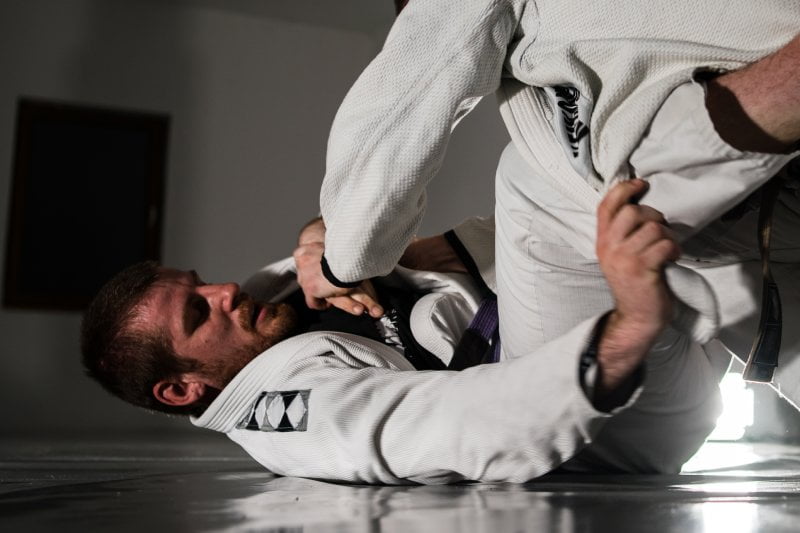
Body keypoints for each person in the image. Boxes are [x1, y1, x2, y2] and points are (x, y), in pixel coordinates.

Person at [82, 181, 712, 483]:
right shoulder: (291, 418)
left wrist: (316, 238)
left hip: (633, 347)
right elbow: (462, 423)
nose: (221, 293)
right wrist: (631, 323)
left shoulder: (263, 312)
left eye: (200, 282)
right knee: (536, 187)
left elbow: (340, 235)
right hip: (617, 413)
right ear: (182, 389)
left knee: (653, 203)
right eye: (197, 313)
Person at [305, 0, 799, 363]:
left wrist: (344, 262)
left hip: (739, 152)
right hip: (749, 216)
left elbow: (399, 104)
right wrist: (438, 249)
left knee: (621, 198)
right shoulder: (570, 47)